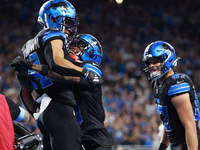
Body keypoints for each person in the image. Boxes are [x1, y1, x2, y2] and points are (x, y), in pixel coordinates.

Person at [11, 0, 101, 150]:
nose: (70, 28)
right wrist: (84, 72)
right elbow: (57, 64)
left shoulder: (28, 46)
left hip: (44, 111)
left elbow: (25, 90)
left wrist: (37, 114)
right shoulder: (54, 34)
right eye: (67, 22)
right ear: (53, 18)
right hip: (59, 106)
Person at [142, 41, 200, 150]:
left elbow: (190, 125)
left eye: (156, 61)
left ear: (168, 59)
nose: (152, 65)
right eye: (149, 62)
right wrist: (162, 146)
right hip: (176, 146)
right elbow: (168, 120)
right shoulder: (157, 83)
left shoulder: (176, 84)